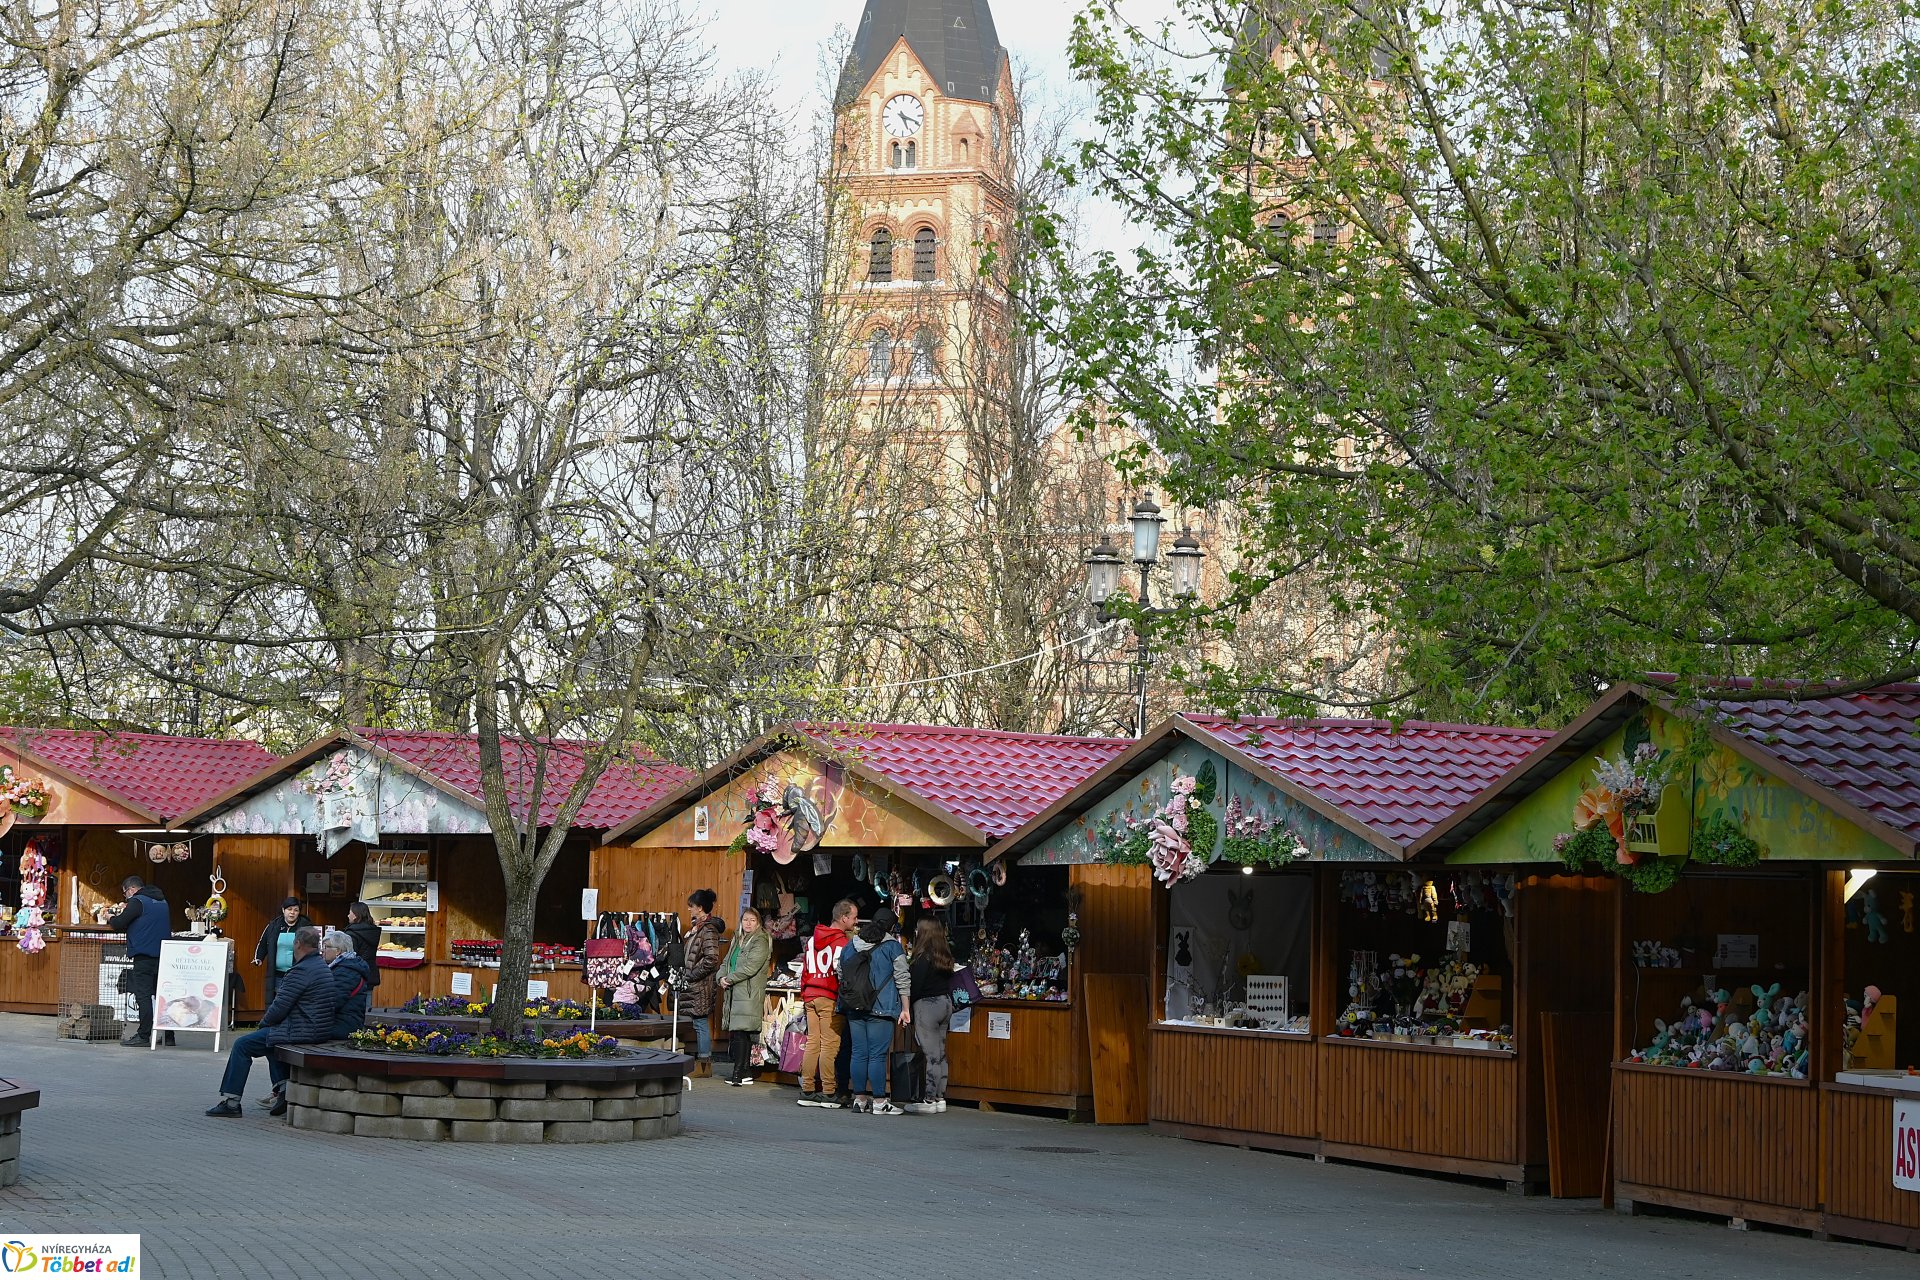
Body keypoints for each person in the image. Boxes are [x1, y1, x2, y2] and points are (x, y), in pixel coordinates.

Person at [207, 925, 338, 1118]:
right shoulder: (321, 967)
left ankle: (231, 1102)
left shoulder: (301, 971)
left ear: (298, 944)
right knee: (271, 1040)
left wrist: (263, 1024)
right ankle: (284, 1090)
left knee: (243, 1044)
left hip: (302, 1030)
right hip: (318, 1029)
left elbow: (279, 1008)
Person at [839, 906, 910, 1116]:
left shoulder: (851, 944)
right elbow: (902, 978)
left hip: (854, 1007)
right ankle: (879, 1101)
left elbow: (840, 971)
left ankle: (859, 1099)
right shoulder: (892, 947)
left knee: (859, 1053)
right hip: (882, 1007)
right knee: (877, 1055)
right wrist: (905, 1008)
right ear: (891, 926)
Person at [796, 898, 857, 1108]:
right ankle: (829, 1092)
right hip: (829, 996)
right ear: (843, 918)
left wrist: (805, 991)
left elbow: (805, 968)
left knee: (813, 1042)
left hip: (811, 993)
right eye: (854, 918)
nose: (856, 922)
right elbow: (842, 973)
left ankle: (807, 1090)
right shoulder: (841, 942)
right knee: (829, 1045)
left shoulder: (813, 939)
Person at [105, 875, 169, 1046]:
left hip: (144, 955)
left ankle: (143, 1036)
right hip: (163, 955)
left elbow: (119, 923)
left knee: (144, 996)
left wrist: (110, 916)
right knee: (164, 995)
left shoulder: (138, 901)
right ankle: (169, 1036)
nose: (126, 897)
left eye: (125, 893)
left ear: (131, 890)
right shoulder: (162, 901)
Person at [905, 917, 957, 1115]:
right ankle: (940, 1097)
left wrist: (907, 1007)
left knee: (931, 1056)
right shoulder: (944, 955)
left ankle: (928, 1099)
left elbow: (915, 986)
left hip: (927, 1006)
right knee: (941, 1053)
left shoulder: (922, 956)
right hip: (945, 1003)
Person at [717, 906, 771, 1085]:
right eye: (745, 920)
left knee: (741, 1032)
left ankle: (738, 1073)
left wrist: (729, 979)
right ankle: (745, 1071)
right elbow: (726, 961)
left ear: (758, 923)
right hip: (736, 990)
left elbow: (751, 967)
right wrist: (721, 978)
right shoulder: (738, 939)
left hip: (748, 992)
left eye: (752, 920)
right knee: (742, 1032)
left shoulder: (760, 940)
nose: (748, 923)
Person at [679, 889, 724, 1078]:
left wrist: (692, 975)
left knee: (700, 1022)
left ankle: (704, 1064)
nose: (689, 909)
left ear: (700, 908)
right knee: (696, 1022)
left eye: (692, 906)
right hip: (693, 984)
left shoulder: (708, 929)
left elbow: (712, 958)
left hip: (700, 985)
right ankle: (701, 1062)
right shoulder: (697, 928)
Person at [253, 897, 312, 1009]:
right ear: (283, 910)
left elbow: (312, 947)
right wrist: (258, 958)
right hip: (277, 974)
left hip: (296, 974)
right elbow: (263, 942)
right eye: (289, 909)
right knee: (277, 1003)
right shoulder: (273, 925)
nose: (292, 913)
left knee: (294, 1003)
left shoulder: (305, 927)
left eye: (296, 910)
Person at [320, 929, 373, 1039]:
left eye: (326, 947)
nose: (322, 950)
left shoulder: (346, 972)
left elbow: (331, 1002)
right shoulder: (347, 967)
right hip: (341, 1024)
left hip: (342, 1027)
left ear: (338, 951)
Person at [342, 902, 383, 992]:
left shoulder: (352, 933)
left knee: (357, 1003)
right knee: (367, 1002)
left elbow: (349, 956)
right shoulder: (373, 931)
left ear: (356, 915)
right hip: (370, 972)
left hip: (356, 974)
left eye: (350, 913)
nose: (348, 915)